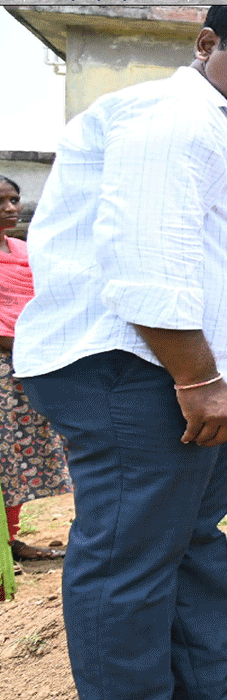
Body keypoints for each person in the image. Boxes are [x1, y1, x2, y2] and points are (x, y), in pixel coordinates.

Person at [13, 6, 227, 700]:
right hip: (145, 370)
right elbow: (148, 252)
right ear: (208, 44)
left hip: (192, 376)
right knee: (132, 558)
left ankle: (210, 690)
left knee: (189, 546)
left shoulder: (221, 128)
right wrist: (198, 375)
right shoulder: (170, 115)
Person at [0, 176, 70, 573]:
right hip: (10, 360)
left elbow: (43, 301)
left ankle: (8, 539)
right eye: (1, 202)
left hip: (27, 364)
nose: (12, 208)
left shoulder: (27, 251)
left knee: (15, 456)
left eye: (15, 200)